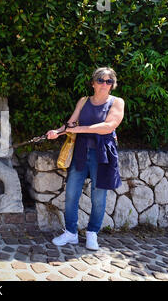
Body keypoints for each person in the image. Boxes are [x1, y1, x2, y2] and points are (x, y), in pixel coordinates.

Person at [46, 67, 125, 250]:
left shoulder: (117, 102)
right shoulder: (83, 101)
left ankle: (92, 233)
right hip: (81, 151)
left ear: (113, 85)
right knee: (72, 193)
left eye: (109, 81)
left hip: (103, 154)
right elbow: (71, 123)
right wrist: (57, 132)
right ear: (93, 83)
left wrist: (78, 129)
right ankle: (71, 233)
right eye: (101, 80)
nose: (104, 84)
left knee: (98, 197)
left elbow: (108, 126)